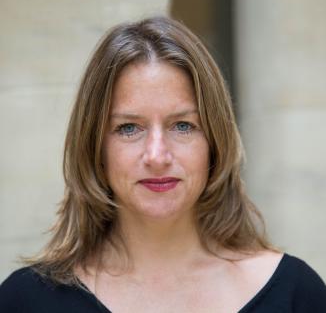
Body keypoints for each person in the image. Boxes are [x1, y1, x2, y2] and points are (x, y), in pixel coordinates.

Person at [0, 16, 325, 313]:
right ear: (95, 146)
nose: (157, 156)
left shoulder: (297, 295)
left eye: (182, 125)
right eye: (129, 128)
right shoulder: (25, 301)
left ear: (214, 141)